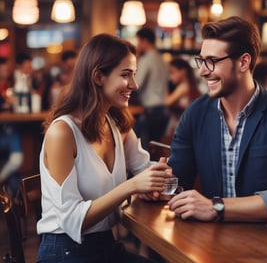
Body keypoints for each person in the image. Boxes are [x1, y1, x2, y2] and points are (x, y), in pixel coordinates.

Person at [163, 16, 267, 224]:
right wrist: (160, 185)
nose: (202, 71)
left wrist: (216, 207)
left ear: (243, 62)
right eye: (202, 60)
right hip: (210, 245)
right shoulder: (195, 113)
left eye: (212, 61)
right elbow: (178, 182)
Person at [36, 33, 172, 262]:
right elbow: (72, 221)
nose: (135, 85)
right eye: (125, 75)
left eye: (134, 74)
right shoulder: (62, 132)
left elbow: (144, 169)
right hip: (65, 251)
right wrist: (132, 186)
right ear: (98, 76)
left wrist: (159, 180)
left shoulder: (117, 124)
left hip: (105, 246)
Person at [133, 27, 169, 150]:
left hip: (151, 110)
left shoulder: (146, 59)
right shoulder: (162, 58)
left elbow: (136, 84)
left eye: (138, 41)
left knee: (142, 149)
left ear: (144, 41)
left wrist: (136, 57)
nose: (137, 45)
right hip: (163, 109)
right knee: (154, 148)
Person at [0, 57, 23, 199]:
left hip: (7, 131)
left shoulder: (6, 86)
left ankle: (13, 201)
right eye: (5, 68)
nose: (8, 71)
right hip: (5, 134)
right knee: (16, 160)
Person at [164, 57, 201, 142]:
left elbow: (167, 102)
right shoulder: (190, 85)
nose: (170, 77)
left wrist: (165, 83)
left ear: (183, 72)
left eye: (172, 73)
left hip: (181, 125)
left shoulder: (184, 87)